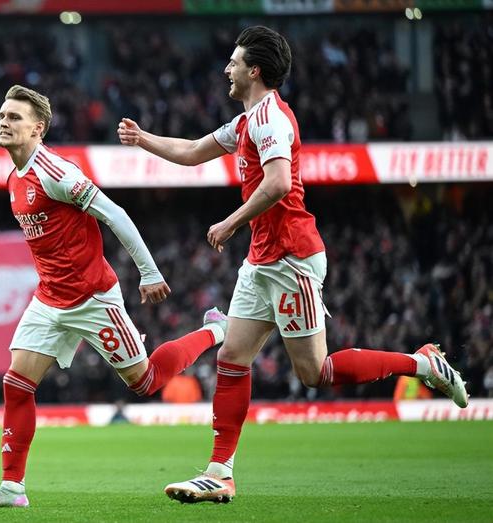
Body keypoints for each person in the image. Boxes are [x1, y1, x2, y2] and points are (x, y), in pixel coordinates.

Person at [118, 25, 468, 504]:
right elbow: (194, 152)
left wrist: (232, 222)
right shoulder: (246, 122)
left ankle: (422, 363)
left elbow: (280, 182)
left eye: (234, 62)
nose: (226, 69)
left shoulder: (271, 119)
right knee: (232, 357)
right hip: (262, 260)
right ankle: (219, 473)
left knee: (314, 372)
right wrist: (143, 139)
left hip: (291, 258)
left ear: (254, 71)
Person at [0, 85, 227, 508]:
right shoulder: (14, 178)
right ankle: (12, 489)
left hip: (92, 298)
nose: (3, 122)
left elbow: (114, 214)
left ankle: (215, 330)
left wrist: (149, 272)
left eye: (14, 117)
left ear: (38, 128)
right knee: (16, 384)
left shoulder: (56, 172)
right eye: (1, 116)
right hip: (49, 300)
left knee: (145, 382)